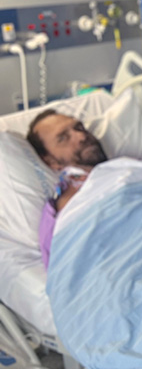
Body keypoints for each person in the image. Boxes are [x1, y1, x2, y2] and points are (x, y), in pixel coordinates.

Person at [27, 109, 109, 268]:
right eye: (63, 138)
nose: (81, 136)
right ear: (50, 161)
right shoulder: (64, 209)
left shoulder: (130, 168)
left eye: (79, 127)